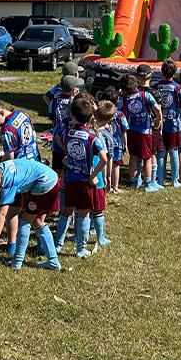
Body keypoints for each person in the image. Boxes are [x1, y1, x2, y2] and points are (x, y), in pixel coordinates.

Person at [0, 98, 40, 255]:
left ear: (1, 112)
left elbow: (9, 157)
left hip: (18, 172)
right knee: (33, 208)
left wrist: (2, 171)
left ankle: (12, 245)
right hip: (34, 166)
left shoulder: (7, 130)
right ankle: (41, 243)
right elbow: (34, 134)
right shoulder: (22, 114)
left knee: (12, 210)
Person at [55, 98, 108, 258]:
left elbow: (57, 138)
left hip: (70, 178)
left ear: (72, 115)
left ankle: (57, 245)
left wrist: (68, 154)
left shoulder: (66, 133)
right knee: (84, 214)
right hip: (86, 180)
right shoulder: (92, 138)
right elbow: (104, 159)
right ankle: (81, 249)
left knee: (66, 212)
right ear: (91, 117)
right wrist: (93, 175)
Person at [0, 159, 61, 270]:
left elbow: (2, 215)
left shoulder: (8, 181)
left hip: (44, 183)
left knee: (26, 221)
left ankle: (17, 261)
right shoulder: (1, 167)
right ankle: (53, 261)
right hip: (51, 178)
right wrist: (25, 198)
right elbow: (24, 177)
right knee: (38, 221)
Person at [118, 73, 162, 192]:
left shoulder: (123, 99)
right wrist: (159, 119)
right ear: (135, 83)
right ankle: (147, 184)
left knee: (133, 156)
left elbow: (118, 111)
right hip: (145, 131)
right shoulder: (145, 95)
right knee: (147, 158)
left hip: (131, 130)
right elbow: (157, 108)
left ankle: (134, 182)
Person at [155, 59, 181, 188]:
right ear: (175, 72)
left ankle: (160, 180)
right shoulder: (178, 88)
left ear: (162, 71)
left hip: (159, 123)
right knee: (174, 150)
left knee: (161, 151)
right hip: (173, 123)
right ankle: (174, 180)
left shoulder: (156, 86)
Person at [134, 65, 165, 190]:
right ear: (151, 76)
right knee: (152, 153)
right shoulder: (155, 93)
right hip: (152, 126)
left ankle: (137, 179)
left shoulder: (134, 92)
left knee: (137, 154)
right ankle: (152, 180)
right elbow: (159, 111)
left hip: (136, 126)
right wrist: (160, 124)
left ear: (137, 77)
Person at [90, 101, 116, 247]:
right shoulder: (101, 136)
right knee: (98, 208)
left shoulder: (87, 128)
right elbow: (105, 158)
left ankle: (81, 233)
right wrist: (107, 176)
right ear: (110, 119)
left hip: (82, 173)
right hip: (97, 174)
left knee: (82, 207)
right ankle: (100, 237)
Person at [100, 87, 128, 194]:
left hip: (104, 142)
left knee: (105, 163)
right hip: (117, 143)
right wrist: (125, 143)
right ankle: (115, 187)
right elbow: (124, 130)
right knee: (116, 165)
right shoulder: (120, 114)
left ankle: (106, 185)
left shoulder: (100, 113)